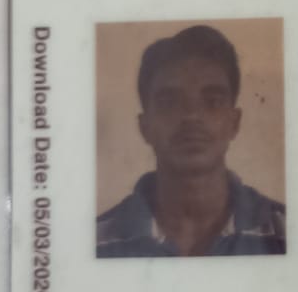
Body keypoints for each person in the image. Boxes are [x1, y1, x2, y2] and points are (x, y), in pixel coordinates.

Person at [97, 24, 286, 258]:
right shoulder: (94, 244)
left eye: (213, 102)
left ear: (234, 123)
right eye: (169, 103)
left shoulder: (288, 233)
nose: (191, 116)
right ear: (144, 127)